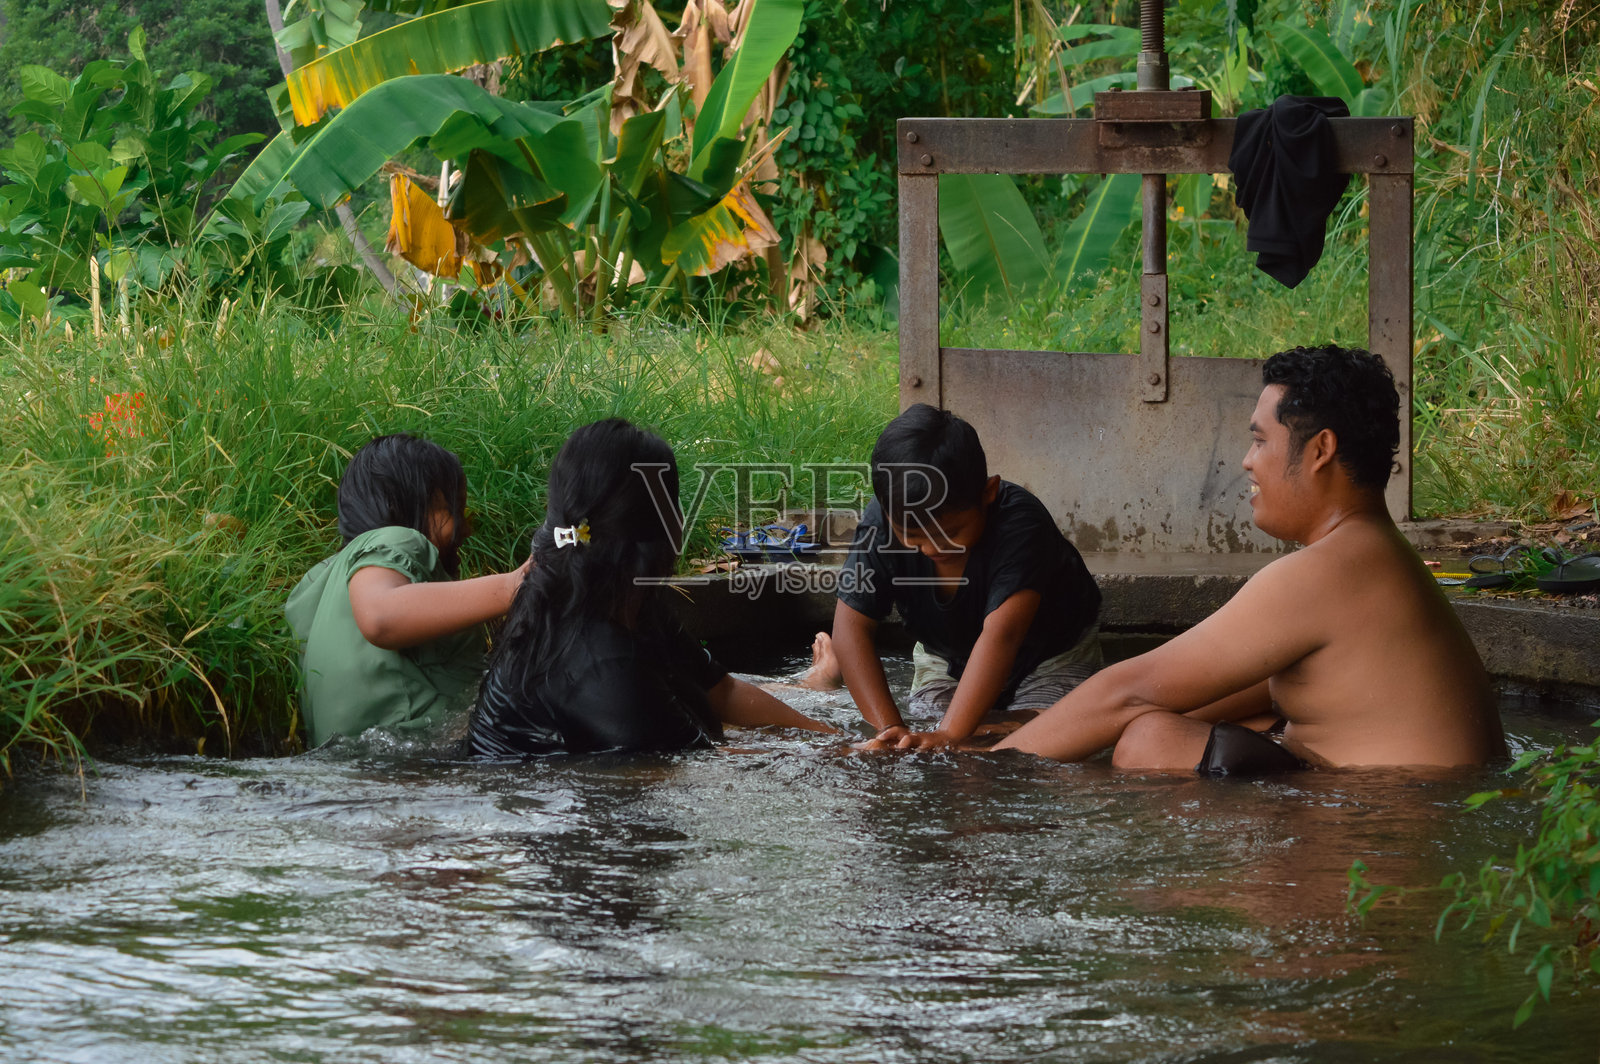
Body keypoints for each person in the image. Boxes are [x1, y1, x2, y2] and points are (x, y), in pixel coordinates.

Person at [998, 345, 1505, 770]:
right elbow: (1225, 690)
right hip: (1418, 813)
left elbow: (1128, 690)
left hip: (1379, 826)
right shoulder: (1376, 553)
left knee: (1148, 740)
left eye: (1260, 440)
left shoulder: (1320, 574)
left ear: (1320, 449)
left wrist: (991, 771)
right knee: (1219, 719)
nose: (1246, 461)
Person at [468, 418, 833, 757]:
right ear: (665, 529)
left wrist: (828, 735)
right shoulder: (600, 663)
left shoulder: (625, 601)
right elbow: (693, 767)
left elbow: (722, 691)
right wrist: (833, 757)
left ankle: (812, 687)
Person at [821, 403, 1104, 749]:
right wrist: (890, 731)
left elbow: (1003, 635)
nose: (929, 548)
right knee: (921, 742)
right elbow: (850, 628)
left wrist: (951, 734)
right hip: (946, 657)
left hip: (1049, 656)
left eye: (949, 531)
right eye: (911, 535)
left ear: (988, 494)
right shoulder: (880, 524)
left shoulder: (1021, 523)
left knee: (1037, 742)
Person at [286, 433, 528, 747]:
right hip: (413, 771)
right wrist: (513, 585)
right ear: (413, 503)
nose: (464, 529)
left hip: (348, 777)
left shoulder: (318, 583)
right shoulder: (396, 538)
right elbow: (380, 617)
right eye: (456, 511)